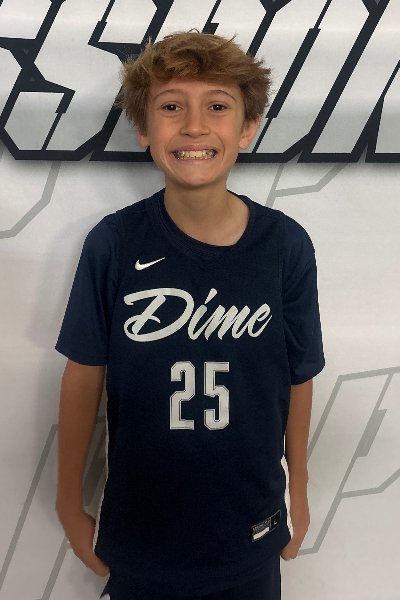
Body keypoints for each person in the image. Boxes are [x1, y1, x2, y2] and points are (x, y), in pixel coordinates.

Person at [55, 30, 325, 600]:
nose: (195, 126)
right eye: (172, 107)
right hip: (140, 530)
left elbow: (299, 374)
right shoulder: (113, 242)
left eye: (218, 107)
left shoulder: (285, 245)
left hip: (251, 526)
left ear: (248, 128)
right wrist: (66, 501)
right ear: (143, 128)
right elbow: (83, 375)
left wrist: (298, 488)